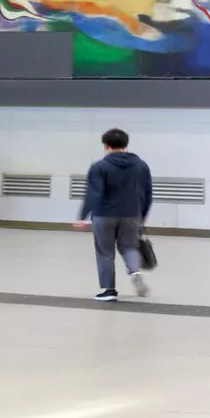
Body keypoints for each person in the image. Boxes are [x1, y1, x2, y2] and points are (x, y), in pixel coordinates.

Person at [74, 127, 152, 300]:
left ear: (106, 146)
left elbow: (93, 194)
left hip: (104, 215)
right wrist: (144, 213)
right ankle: (135, 272)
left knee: (105, 252)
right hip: (132, 214)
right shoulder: (141, 165)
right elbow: (147, 192)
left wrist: (82, 216)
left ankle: (109, 290)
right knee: (129, 247)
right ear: (126, 144)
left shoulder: (99, 167)